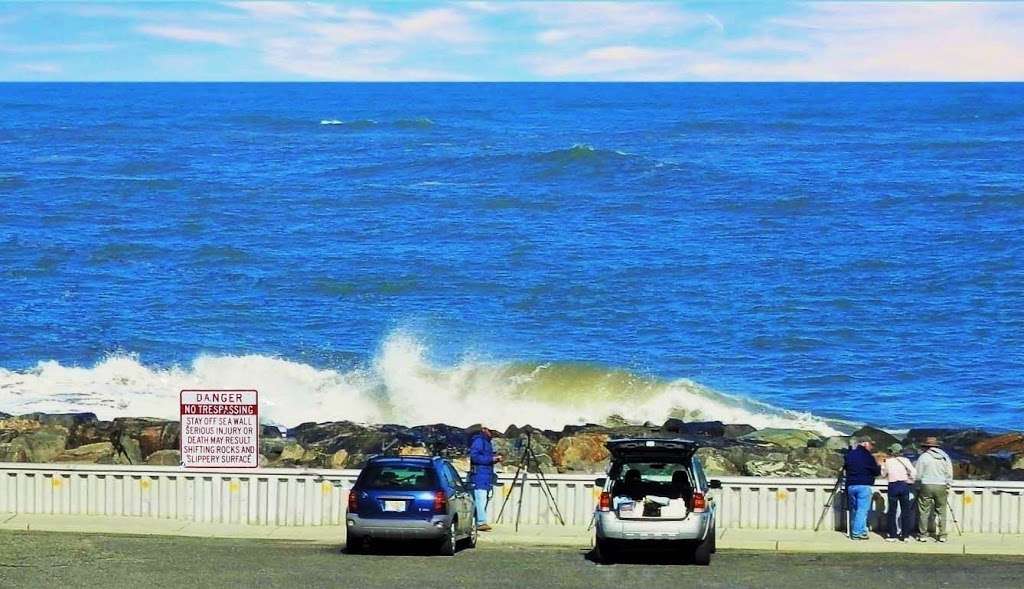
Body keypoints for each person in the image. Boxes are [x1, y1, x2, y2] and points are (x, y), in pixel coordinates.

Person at [915, 436, 954, 542]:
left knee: (924, 510)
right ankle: (942, 534)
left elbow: (918, 475)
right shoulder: (945, 456)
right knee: (941, 510)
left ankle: (923, 534)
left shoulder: (924, 457)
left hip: (926, 485)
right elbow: (949, 473)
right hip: (941, 485)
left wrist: (917, 486)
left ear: (926, 446)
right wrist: (948, 485)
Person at [843, 436, 881, 540]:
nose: (872, 447)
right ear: (864, 444)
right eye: (871, 444)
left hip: (851, 485)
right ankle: (856, 532)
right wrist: (878, 466)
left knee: (856, 509)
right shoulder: (868, 456)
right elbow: (876, 472)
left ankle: (863, 530)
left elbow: (845, 467)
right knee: (862, 510)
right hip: (863, 485)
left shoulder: (850, 454)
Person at [468, 426, 503, 532]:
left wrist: (494, 460)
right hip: (479, 476)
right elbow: (474, 457)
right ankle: (480, 522)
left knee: (482, 499)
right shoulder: (479, 441)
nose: (493, 433)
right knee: (480, 499)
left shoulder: (487, 442)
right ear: (484, 429)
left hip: (485, 475)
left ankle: (479, 521)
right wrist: (491, 459)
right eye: (491, 430)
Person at [882, 443, 917, 542]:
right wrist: (910, 480)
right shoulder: (906, 460)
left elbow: (883, 473)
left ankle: (893, 535)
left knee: (892, 511)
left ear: (891, 452)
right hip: (904, 485)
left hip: (893, 485)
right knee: (905, 511)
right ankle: (905, 535)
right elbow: (913, 472)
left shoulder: (888, 461)